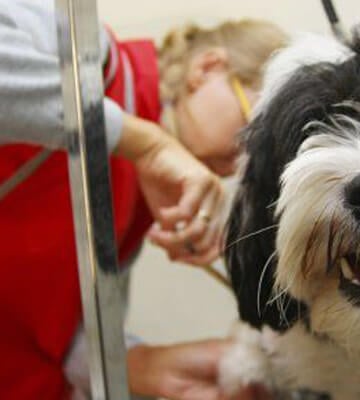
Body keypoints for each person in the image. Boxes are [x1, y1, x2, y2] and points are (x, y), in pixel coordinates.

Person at [0, 0, 287, 399]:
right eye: (250, 135)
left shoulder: (134, 206)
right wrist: (143, 141)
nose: (241, 165)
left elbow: (56, 333)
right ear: (206, 69)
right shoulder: (90, 59)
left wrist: (138, 364)